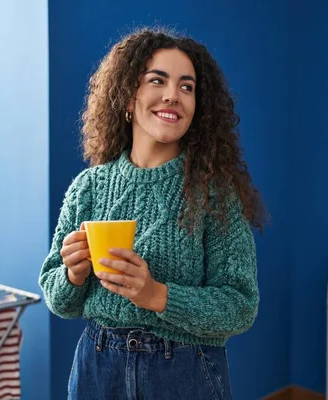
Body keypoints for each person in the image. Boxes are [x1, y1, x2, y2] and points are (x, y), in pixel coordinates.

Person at [39, 27, 266, 400]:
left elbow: (240, 306)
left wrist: (156, 295)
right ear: (128, 96)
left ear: (198, 107)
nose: (172, 96)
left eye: (187, 87)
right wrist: (73, 274)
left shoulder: (215, 193)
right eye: (157, 80)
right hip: (98, 370)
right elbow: (58, 298)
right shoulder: (89, 186)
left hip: (185, 371)